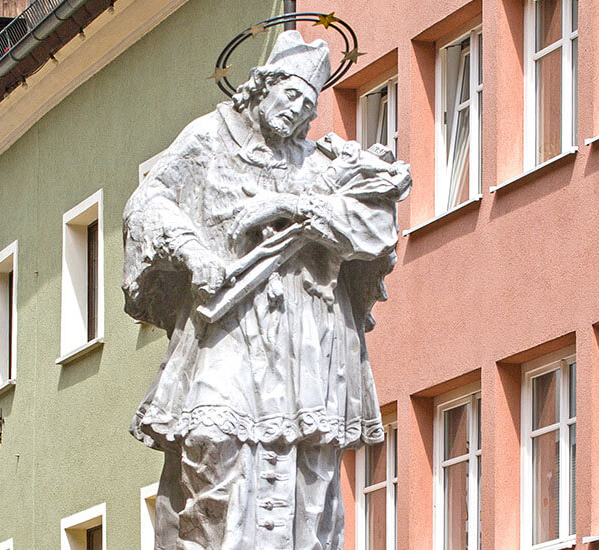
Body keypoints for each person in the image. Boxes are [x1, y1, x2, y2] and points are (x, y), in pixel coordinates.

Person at [123, 30, 410, 549]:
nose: (299, 111)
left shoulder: (323, 162)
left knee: (311, 465)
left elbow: (377, 224)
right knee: (211, 441)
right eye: (291, 95)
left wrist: (295, 210)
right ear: (262, 86)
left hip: (308, 334)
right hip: (229, 323)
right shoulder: (209, 138)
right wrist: (195, 253)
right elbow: (148, 203)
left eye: (309, 103)